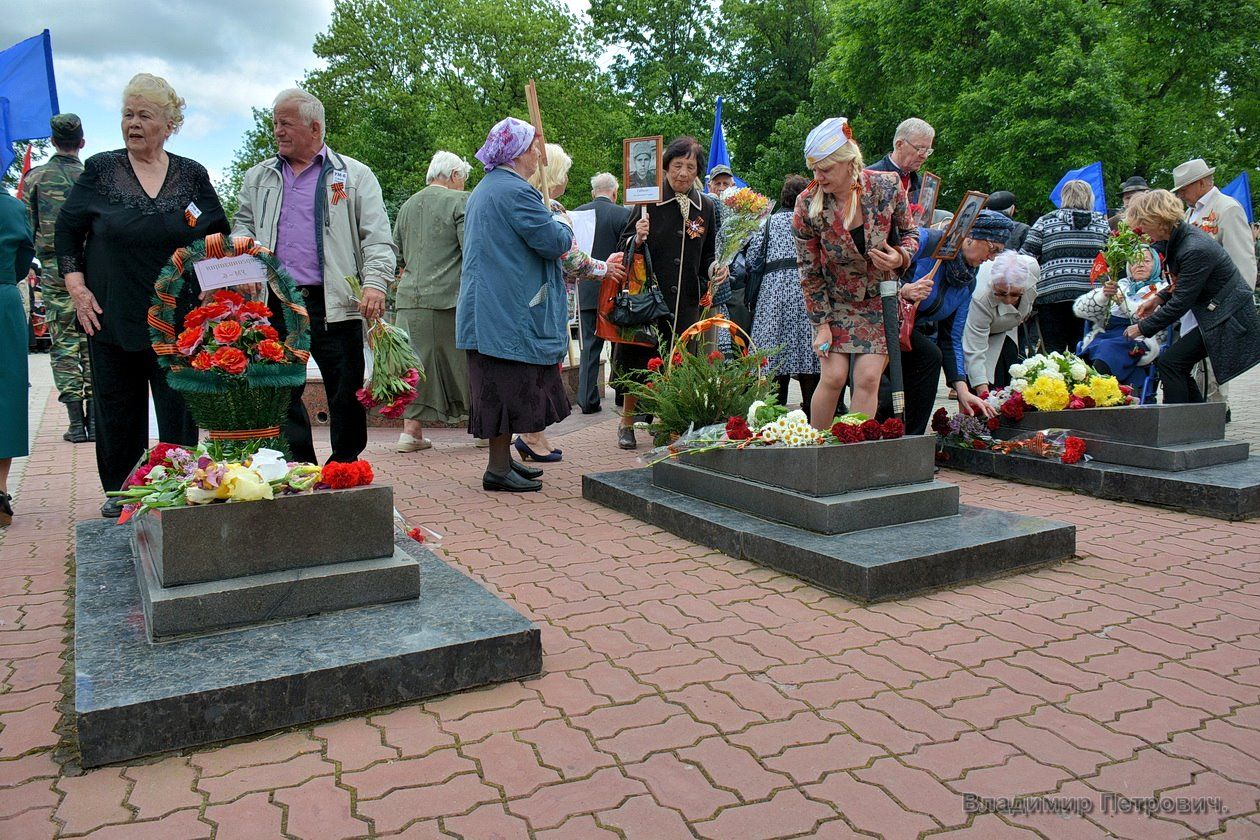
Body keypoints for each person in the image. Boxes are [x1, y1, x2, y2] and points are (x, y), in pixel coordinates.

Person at [56, 73, 229, 518]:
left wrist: (219, 297)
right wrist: (77, 288)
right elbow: (66, 231)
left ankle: (177, 487)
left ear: (169, 124)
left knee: (179, 410)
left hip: (178, 319)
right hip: (111, 314)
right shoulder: (100, 169)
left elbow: (218, 235)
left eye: (144, 115)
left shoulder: (191, 174)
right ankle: (121, 494)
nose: (133, 123)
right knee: (117, 408)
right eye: (127, 114)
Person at [232, 88, 395, 465]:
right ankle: (298, 465)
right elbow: (242, 224)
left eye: (285, 123)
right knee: (280, 388)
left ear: (315, 127)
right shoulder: (259, 177)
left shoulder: (354, 175)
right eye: (274, 123)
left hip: (335, 301)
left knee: (345, 389)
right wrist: (241, 255)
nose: (277, 131)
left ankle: (344, 466)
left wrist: (374, 283)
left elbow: (378, 237)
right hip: (276, 300)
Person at [457, 117, 575, 491]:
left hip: (490, 309)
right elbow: (554, 242)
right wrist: (562, 221)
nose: (538, 153)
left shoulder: (488, 187)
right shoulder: (515, 191)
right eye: (533, 147)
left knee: (497, 386)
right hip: (503, 312)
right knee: (503, 389)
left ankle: (503, 461)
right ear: (519, 152)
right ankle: (497, 468)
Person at [794, 117, 918, 428]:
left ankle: (851, 451)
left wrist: (900, 256)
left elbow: (911, 234)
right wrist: (821, 324)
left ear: (849, 163)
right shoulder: (807, 204)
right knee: (834, 376)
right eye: (814, 170)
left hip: (879, 300)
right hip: (835, 302)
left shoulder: (888, 187)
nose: (818, 177)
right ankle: (817, 448)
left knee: (867, 378)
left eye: (826, 169)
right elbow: (809, 271)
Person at [614, 136, 725, 450]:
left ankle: (667, 422)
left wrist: (715, 267)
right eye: (677, 166)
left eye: (690, 167)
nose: (683, 173)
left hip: (686, 301)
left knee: (676, 362)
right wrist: (636, 238)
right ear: (665, 168)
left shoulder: (706, 205)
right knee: (639, 359)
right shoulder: (648, 200)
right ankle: (627, 423)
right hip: (648, 299)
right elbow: (622, 247)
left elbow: (709, 254)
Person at [515, 143, 624, 462]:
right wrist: (606, 267)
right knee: (544, 364)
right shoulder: (550, 207)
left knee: (546, 363)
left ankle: (537, 433)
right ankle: (531, 435)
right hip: (547, 298)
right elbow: (570, 258)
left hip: (536, 295)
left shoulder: (528, 202)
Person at [1122, 190, 1260, 404]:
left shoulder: (1194, 247)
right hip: (1218, 312)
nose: (1140, 230)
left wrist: (1142, 328)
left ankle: (1178, 425)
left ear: (1158, 220)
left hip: (1230, 316)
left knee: (1171, 362)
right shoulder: (1179, 239)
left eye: (1142, 223)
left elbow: (1182, 301)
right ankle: (1196, 423)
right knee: (1175, 363)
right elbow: (1182, 284)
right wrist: (1158, 298)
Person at [895, 210, 1012, 433]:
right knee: (927, 356)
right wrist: (905, 290)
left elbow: (951, 338)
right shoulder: (929, 243)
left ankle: (912, 441)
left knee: (930, 356)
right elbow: (884, 269)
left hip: (914, 335)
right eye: (993, 248)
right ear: (970, 236)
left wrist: (961, 388)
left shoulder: (967, 282)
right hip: (882, 320)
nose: (992, 258)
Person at [392, 150, 471, 453]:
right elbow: (470, 250)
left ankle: (410, 433)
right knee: (464, 364)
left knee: (413, 366)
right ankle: (481, 432)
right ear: (454, 176)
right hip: (450, 299)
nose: (463, 186)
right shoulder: (459, 201)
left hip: (409, 300)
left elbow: (397, 256)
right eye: (463, 179)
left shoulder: (407, 206)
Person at [22, 113, 91, 443]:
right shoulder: (90, 178)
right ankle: (96, 418)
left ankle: (76, 423)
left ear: (52, 141)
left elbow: (27, 227)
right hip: (88, 270)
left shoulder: (36, 178)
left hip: (51, 271)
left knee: (63, 344)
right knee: (90, 338)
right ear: (82, 141)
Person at [747, 175, 819, 415]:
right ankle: (810, 410)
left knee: (775, 352)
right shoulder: (809, 220)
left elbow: (752, 257)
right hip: (804, 288)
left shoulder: (768, 223)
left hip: (773, 292)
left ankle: (775, 411)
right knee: (807, 352)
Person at [1020, 179, 1108, 354]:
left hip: (1052, 295)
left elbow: (1025, 258)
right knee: (1084, 352)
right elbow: (1110, 261)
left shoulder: (1046, 222)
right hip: (1091, 298)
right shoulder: (1102, 226)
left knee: (1052, 351)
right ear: (1090, 198)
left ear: (1063, 197)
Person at [574, 172, 634, 414]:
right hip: (616, 290)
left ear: (592, 193)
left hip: (587, 289)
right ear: (615, 192)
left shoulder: (576, 214)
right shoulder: (624, 214)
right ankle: (622, 394)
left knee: (589, 346)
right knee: (620, 343)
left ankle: (587, 400)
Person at [1073, 245, 1168, 386]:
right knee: (1093, 348)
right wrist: (1103, 296)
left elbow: (1147, 319)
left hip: (1141, 336)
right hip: (1110, 333)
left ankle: (1096, 387)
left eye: (1147, 261)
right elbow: (1083, 310)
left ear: (1156, 265)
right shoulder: (1121, 285)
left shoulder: (1162, 289)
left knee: (1107, 348)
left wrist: (1122, 301)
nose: (1140, 264)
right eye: (1135, 261)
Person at [962, 251, 1040, 412]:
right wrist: (985, 399)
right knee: (985, 384)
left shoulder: (1031, 267)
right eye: (1002, 293)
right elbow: (974, 350)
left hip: (1009, 328)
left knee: (1009, 377)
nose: (1009, 299)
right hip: (981, 331)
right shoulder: (980, 296)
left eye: (1015, 294)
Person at [0, 194, 34, 527]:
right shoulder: (11, 206)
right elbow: (24, 259)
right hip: (3, 297)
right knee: (6, 392)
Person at [1173, 159, 1256, 290]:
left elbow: (1242, 260)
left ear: (1201, 183)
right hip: (1200, 299)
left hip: (1223, 298)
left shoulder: (1227, 208)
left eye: (1183, 190)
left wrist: (1240, 298)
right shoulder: (1188, 212)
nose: (1180, 195)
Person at [866, 117, 934, 203]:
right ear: (899, 145)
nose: (924, 156)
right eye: (920, 149)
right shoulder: (867, 178)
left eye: (928, 151)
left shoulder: (922, 186)